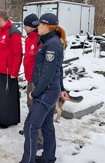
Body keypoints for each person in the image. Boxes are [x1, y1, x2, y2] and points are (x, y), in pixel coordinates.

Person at [20, 13, 69, 163]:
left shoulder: (52, 45)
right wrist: (61, 88)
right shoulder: (49, 41)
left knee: (30, 127)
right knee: (47, 126)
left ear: (46, 27)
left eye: (39, 25)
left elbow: (47, 75)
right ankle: (48, 157)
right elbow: (58, 68)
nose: (37, 27)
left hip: (45, 93)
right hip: (50, 91)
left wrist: (35, 93)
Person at [0, 9, 23, 129]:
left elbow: (18, 54)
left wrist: (15, 72)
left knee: (6, 97)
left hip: (8, 71)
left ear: (1, 19)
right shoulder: (0, 31)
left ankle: (6, 119)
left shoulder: (13, 32)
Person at [20, 13, 44, 149]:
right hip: (30, 78)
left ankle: (39, 139)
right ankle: (30, 129)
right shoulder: (29, 38)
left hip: (37, 80)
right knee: (30, 105)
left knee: (36, 108)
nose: (24, 27)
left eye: (26, 25)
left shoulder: (39, 40)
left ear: (32, 26)